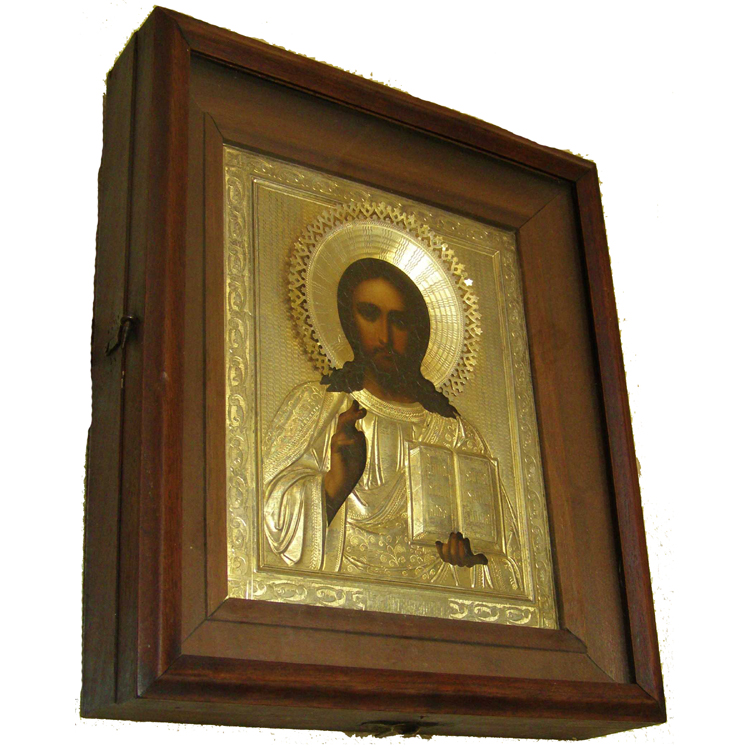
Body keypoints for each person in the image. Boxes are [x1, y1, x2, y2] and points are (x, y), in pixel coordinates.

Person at [262, 258, 521, 591]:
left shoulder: (456, 434)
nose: (384, 336)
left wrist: (471, 562)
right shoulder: (317, 407)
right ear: (348, 319)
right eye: (369, 314)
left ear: (418, 330)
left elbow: (511, 566)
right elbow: (264, 521)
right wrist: (334, 484)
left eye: (399, 321)